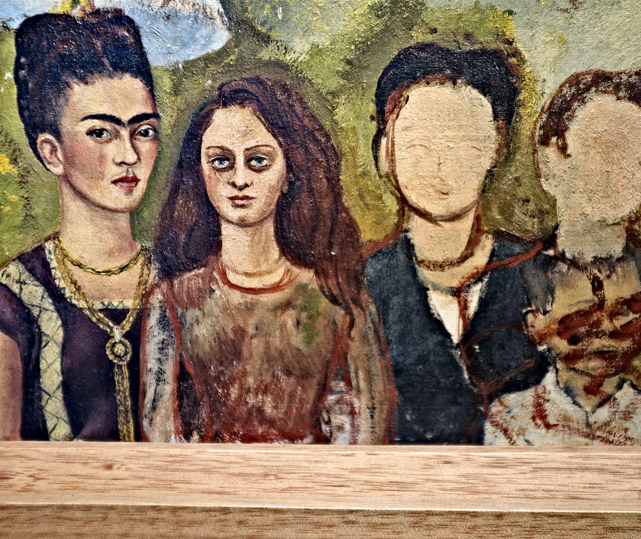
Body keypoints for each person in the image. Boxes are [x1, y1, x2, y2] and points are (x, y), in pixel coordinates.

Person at [141, 76, 393, 444]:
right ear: (200, 172)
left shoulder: (339, 304)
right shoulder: (173, 300)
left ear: (289, 171)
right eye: (221, 162)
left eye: (258, 161)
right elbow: (160, 432)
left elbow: (368, 434)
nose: (239, 179)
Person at [485, 69, 641, 446]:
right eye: (601, 148)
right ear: (550, 160)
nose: (619, 169)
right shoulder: (505, 278)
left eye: (636, 153)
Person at [366, 42, 546, 443]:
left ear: (496, 145)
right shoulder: (358, 284)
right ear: (385, 150)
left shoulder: (539, 271)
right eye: (418, 144)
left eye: (463, 144)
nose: (440, 166)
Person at [0, 9, 159, 441]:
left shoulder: (181, 280)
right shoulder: (13, 297)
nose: (129, 155)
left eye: (143, 131)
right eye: (101, 133)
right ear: (52, 152)